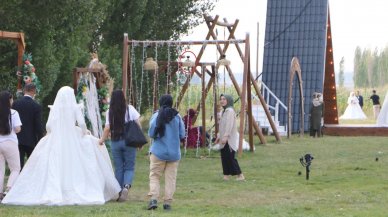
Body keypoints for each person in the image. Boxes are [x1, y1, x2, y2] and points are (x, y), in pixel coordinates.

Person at [2, 86, 120, 205]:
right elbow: (82, 124)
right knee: (75, 162)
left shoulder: (55, 109)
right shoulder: (75, 108)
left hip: (57, 137)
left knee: (54, 163)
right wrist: (84, 132)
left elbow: (48, 126)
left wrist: (53, 132)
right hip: (72, 136)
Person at [99, 89, 141, 202]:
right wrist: (138, 141)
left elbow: (107, 128)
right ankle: (126, 186)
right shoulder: (130, 109)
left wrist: (102, 140)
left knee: (118, 167)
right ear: (123, 98)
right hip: (129, 142)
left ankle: (118, 191)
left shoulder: (110, 111)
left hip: (115, 142)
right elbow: (138, 124)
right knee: (129, 167)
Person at [147, 94, 185, 211]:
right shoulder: (177, 116)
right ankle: (167, 203)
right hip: (174, 153)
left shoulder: (156, 115)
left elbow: (151, 133)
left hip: (158, 152)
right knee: (170, 178)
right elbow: (182, 134)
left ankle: (153, 198)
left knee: (154, 176)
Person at [214, 94, 245, 181]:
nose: (222, 101)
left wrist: (226, 136)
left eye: (224, 99)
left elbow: (229, 125)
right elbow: (221, 126)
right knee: (224, 157)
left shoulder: (230, 111)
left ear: (228, 100)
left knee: (230, 157)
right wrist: (219, 136)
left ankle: (240, 175)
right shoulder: (223, 111)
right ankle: (226, 175)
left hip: (229, 138)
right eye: (221, 99)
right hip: (223, 137)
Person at [12, 83, 43, 168]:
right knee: (32, 167)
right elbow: (38, 126)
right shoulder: (36, 106)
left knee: (18, 166)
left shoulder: (15, 103)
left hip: (17, 139)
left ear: (24, 90)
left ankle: (17, 181)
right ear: (34, 91)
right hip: (31, 140)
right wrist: (41, 140)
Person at [0, 91, 22, 202]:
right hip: (10, 143)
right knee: (15, 168)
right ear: (9, 100)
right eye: (11, 99)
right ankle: (8, 190)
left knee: (0, 169)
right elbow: (17, 129)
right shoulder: (14, 113)